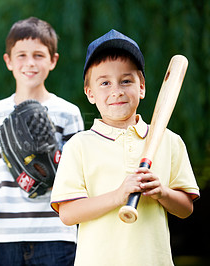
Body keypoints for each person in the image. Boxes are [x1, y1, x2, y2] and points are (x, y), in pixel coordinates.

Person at [50, 29, 200, 266]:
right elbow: (68, 214)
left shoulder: (169, 140)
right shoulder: (79, 146)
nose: (116, 91)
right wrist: (118, 196)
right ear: (90, 93)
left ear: (141, 87)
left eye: (126, 81)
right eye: (105, 83)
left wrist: (162, 192)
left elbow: (185, 208)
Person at [0, 17, 84, 265]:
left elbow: (77, 177)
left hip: (56, 234)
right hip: (7, 236)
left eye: (39, 55)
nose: (30, 63)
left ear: (53, 61)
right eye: (21, 55)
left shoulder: (68, 112)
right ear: (8, 61)